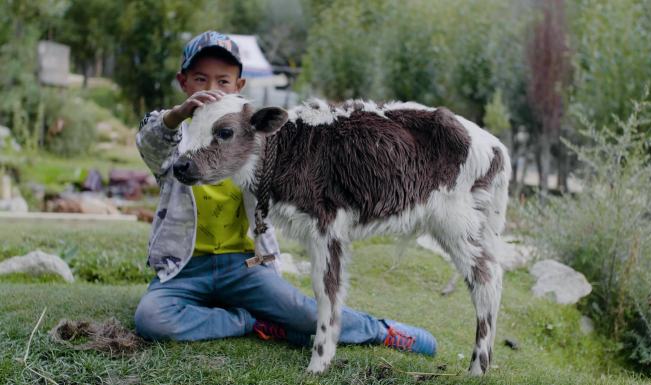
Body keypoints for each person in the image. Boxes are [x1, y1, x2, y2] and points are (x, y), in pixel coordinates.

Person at [134, 30, 437, 355]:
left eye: (223, 81)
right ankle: (250, 321)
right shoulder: (173, 140)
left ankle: (381, 331)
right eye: (200, 79)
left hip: (246, 265)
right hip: (184, 267)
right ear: (183, 83)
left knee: (304, 313)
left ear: (239, 87)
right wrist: (177, 114)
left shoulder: (253, 141)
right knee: (152, 319)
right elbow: (150, 140)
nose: (211, 90)